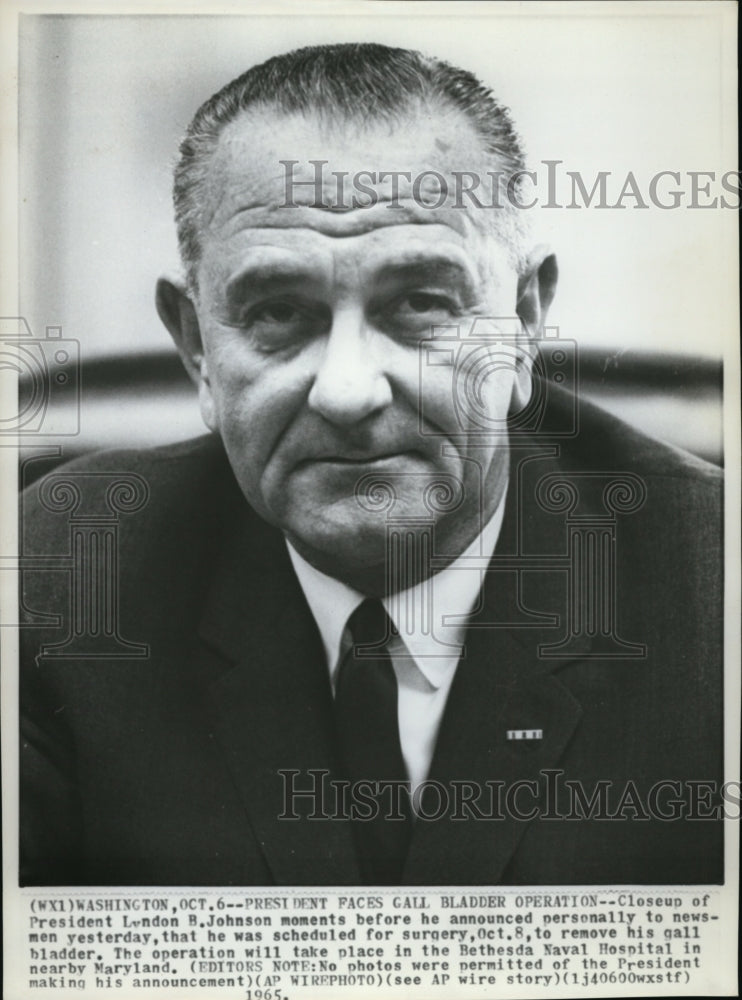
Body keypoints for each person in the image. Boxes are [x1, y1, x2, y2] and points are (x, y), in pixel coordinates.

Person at [20, 42, 723, 887]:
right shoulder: (61, 580)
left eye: (422, 305)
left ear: (526, 323)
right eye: (279, 312)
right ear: (198, 349)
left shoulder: (717, 586)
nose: (348, 390)